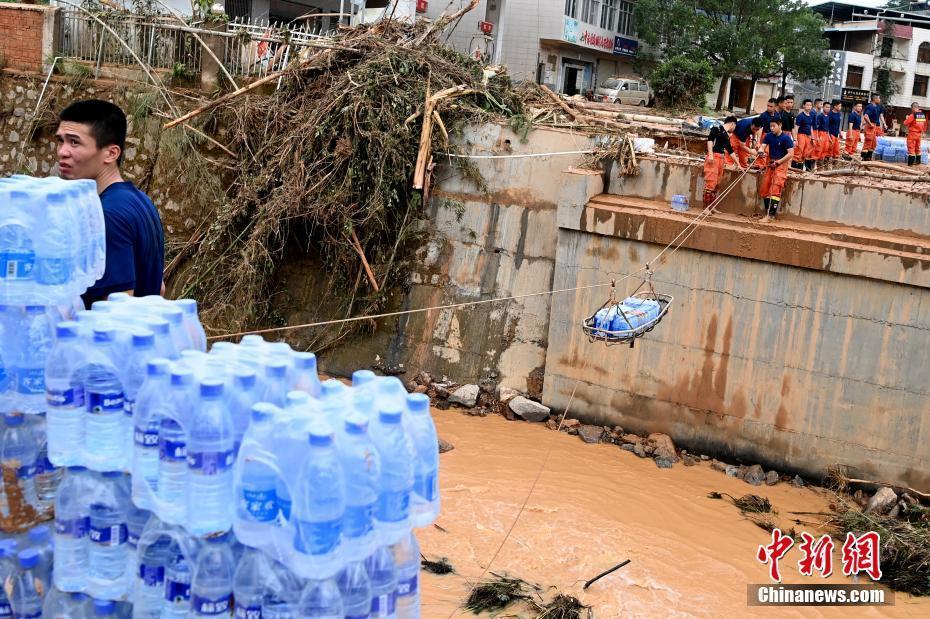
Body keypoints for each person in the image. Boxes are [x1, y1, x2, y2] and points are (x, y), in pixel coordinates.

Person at [56, 100, 165, 308]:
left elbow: (116, 307)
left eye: (74, 142)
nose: (63, 151)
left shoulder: (105, 215)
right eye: (60, 141)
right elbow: (159, 288)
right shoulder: (141, 201)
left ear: (111, 153)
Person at [703, 116, 744, 207]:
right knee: (711, 182)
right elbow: (710, 140)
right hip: (714, 157)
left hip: (721, 158)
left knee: (717, 184)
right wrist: (710, 154)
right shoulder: (716, 128)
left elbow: (730, 150)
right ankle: (706, 207)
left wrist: (738, 164)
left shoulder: (726, 135)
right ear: (733, 124)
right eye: (735, 126)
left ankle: (711, 206)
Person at [759, 117, 794, 223]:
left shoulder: (786, 138)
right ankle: (767, 213)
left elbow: (790, 154)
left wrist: (778, 162)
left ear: (780, 125)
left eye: (774, 126)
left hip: (781, 165)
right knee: (765, 188)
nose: (772, 128)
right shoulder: (769, 136)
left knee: (775, 189)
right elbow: (763, 146)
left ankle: (771, 215)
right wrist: (761, 151)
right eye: (770, 126)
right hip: (770, 163)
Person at [862, 93, 886, 161]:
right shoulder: (871, 106)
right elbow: (866, 116)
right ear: (875, 99)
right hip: (871, 126)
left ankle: (868, 158)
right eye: (879, 98)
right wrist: (870, 124)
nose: (880, 100)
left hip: (874, 126)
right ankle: (864, 159)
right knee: (868, 142)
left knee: (873, 143)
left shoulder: (877, 107)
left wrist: (884, 124)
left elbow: (918, 124)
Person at [903, 101, 927, 166]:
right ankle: (918, 162)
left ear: (913, 107)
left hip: (912, 134)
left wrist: (907, 118)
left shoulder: (913, 115)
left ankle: (910, 163)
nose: (911, 110)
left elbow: (905, 123)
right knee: (917, 148)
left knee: (911, 148)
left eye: (911, 108)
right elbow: (924, 125)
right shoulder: (922, 115)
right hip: (919, 134)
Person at [794, 99, 815, 171]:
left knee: (805, 153)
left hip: (808, 136)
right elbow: (796, 127)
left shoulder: (811, 115)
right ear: (804, 106)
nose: (809, 107)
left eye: (810, 105)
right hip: (801, 135)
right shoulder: (800, 116)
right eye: (807, 105)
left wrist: (813, 138)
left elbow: (811, 127)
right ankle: (794, 168)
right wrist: (795, 139)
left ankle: (800, 169)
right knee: (799, 151)